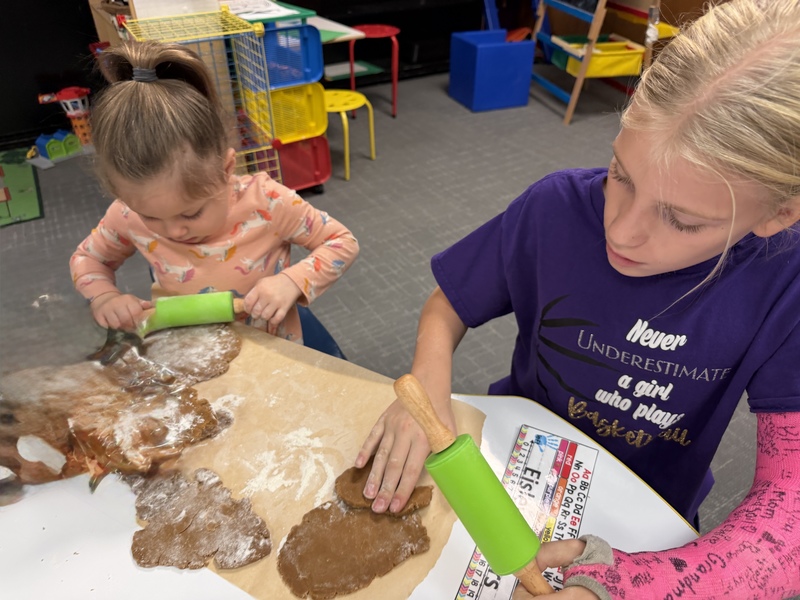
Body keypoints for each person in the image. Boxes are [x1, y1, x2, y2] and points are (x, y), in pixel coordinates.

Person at [356, 0, 800, 597]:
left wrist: (633, 585)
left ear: (779, 214)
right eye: (621, 174)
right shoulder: (556, 209)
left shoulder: (785, 281)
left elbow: (788, 515)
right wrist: (427, 388)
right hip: (518, 464)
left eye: (682, 221)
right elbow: (448, 304)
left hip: (645, 512)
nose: (621, 231)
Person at [70, 41, 358, 342]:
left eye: (191, 213)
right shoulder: (127, 214)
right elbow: (88, 259)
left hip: (274, 349)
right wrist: (104, 297)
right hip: (186, 347)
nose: (174, 231)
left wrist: (292, 282)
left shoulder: (267, 202)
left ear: (226, 169)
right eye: (151, 218)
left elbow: (342, 242)